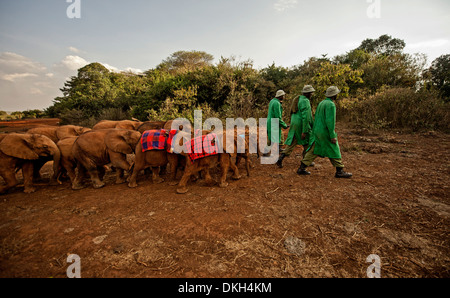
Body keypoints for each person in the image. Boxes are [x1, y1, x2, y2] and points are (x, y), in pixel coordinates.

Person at [297, 86, 352, 178]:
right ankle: (339, 171)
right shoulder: (331, 104)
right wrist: (332, 135)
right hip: (325, 131)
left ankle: (301, 168)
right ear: (334, 95)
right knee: (334, 149)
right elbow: (330, 122)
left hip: (317, 130)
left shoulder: (322, 103)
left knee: (314, 150)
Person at [277, 85, 315, 168]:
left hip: (294, 123)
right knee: (308, 142)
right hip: (300, 124)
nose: (311, 94)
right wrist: (305, 130)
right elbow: (306, 117)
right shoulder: (305, 101)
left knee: (292, 142)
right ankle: (306, 160)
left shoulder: (298, 98)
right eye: (311, 93)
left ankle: (281, 158)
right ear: (308, 93)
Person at [266, 90, 289, 156]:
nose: (284, 97)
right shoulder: (277, 103)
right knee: (273, 137)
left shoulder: (272, 101)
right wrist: (284, 125)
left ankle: (278, 149)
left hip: (270, 121)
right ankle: (267, 151)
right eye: (283, 96)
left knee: (276, 136)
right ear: (280, 96)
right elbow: (277, 117)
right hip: (274, 122)